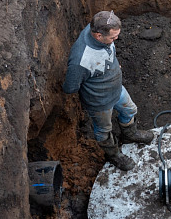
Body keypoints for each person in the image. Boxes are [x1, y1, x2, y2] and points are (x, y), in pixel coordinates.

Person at [62, 10, 153, 171]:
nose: (116, 39)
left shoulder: (101, 32)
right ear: (98, 36)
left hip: (116, 89)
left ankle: (130, 135)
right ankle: (114, 155)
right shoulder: (81, 60)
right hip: (100, 102)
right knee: (104, 131)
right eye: (113, 37)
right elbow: (70, 87)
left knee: (130, 110)